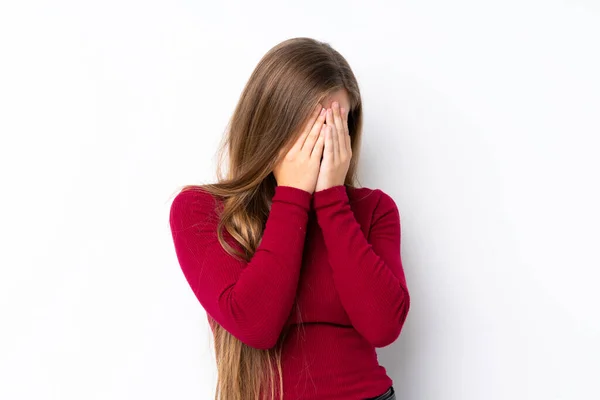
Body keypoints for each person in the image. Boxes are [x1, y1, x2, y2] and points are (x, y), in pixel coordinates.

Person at [168, 37, 409, 400]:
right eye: (314, 126)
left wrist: (332, 201)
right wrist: (292, 196)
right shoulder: (201, 210)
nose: (322, 143)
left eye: (335, 127)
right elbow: (255, 325)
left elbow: (384, 326)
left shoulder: (373, 210)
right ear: (271, 123)